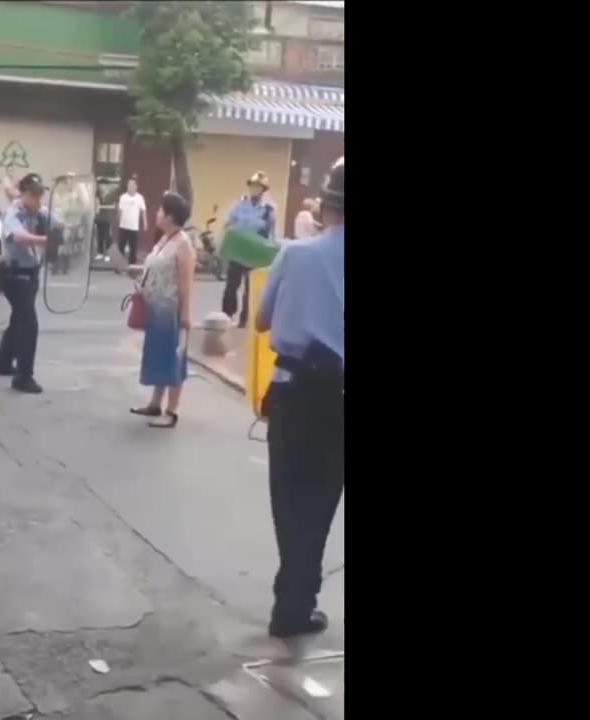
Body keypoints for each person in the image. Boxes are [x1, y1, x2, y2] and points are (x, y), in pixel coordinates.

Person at [254, 157, 344, 639]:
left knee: (288, 499)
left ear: (326, 206)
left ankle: (290, 602)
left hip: (291, 392)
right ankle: (295, 603)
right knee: (321, 501)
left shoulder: (293, 254)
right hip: (340, 398)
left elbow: (263, 321)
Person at [129, 192, 196, 428]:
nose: (156, 213)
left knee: (172, 357)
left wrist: (187, 314)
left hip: (172, 310)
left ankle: (172, 410)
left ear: (170, 215)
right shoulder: (164, 240)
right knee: (157, 354)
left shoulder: (183, 244)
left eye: (160, 210)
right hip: (156, 309)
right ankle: (155, 403)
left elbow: (187, 281)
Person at [0, 173, 50, 394]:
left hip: (30, 274)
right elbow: (19, 237)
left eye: (40, 195)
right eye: (33, 195)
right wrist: (46, 240)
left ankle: (2, 363)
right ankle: (23, 377)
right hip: (15, 276)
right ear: (24, 194)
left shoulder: (38, 212)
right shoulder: (13, 214)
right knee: (28, 325)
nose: (38, 199)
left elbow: (58, 222)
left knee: (18, 321)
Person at [221, 171, 278, 328]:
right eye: (252, 186)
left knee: (250, 289)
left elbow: (272, 235)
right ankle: (227, 315)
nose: (254, 190)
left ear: (263, 190)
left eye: (257, 187)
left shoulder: (268, 210)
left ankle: (244, 320)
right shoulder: (240, 205)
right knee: (231, 286)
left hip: (255, 256)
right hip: (238, 253)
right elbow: (228, 224)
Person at [116, 177, 147, 266]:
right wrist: (119, 221)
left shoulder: (139, 198)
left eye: (132, 185)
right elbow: (120, 211)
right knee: (121, 247)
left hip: (134, 227)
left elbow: (143, 210)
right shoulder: (123, 197)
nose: (130, 186)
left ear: (136, 186)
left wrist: (145, 223)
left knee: (133, 248)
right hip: (123, 226)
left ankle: (132, 266)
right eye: (129, 185)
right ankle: (119, 266)